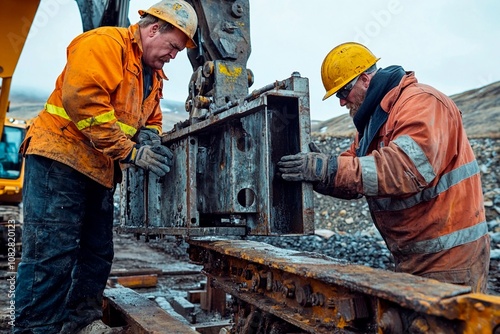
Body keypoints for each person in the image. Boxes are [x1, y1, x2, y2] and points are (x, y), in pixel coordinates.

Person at [14, 1, 198, 333]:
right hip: (60, 158)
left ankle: (80, 320)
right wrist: (131, 152)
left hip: (99, 168)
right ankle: (35, 328)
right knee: (50, 255)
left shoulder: (152, 76)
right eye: (173, 47)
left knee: (96, 253)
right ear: (154, 29)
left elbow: (152, 119)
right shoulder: (104, 43)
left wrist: (150, 137)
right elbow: (83, 99)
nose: (173, 56)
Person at [278, 42, 490, 293]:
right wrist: (321, 175)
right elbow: (354, 169)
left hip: (450, 257)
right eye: (337, 95)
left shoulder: (421, 103)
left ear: (365, 79)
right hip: (416, 256)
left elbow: (404, 169)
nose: (342, 102)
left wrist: (328, 169)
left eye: (343, 92)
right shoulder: (375, 121)